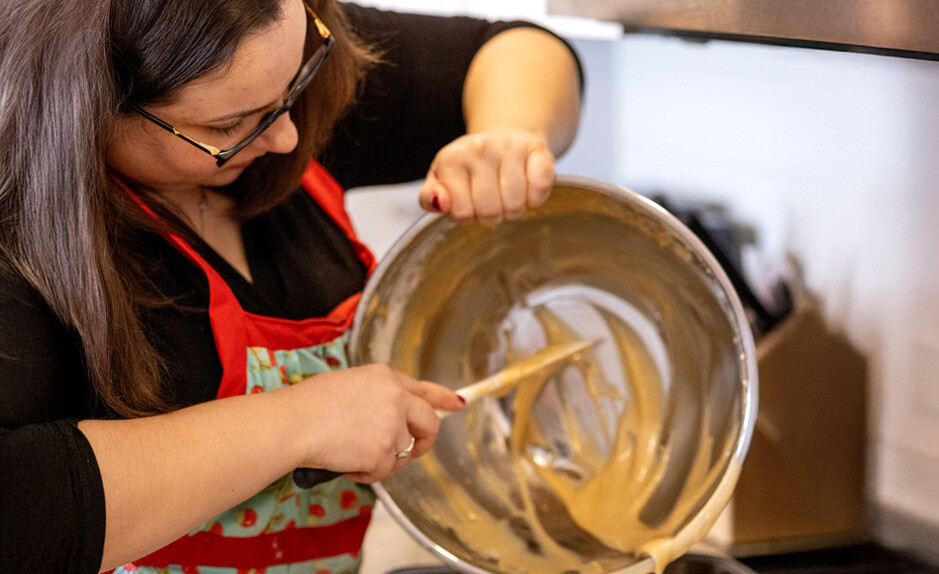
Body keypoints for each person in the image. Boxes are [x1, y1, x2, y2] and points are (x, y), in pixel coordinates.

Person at [0, 0, 582, 571]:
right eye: (227, 125)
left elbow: (516, 47)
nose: (284, 138)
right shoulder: (17, 230)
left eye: (293, 87)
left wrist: (507, 136)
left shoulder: (258, 55)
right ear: (86, 106)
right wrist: (301, 422)